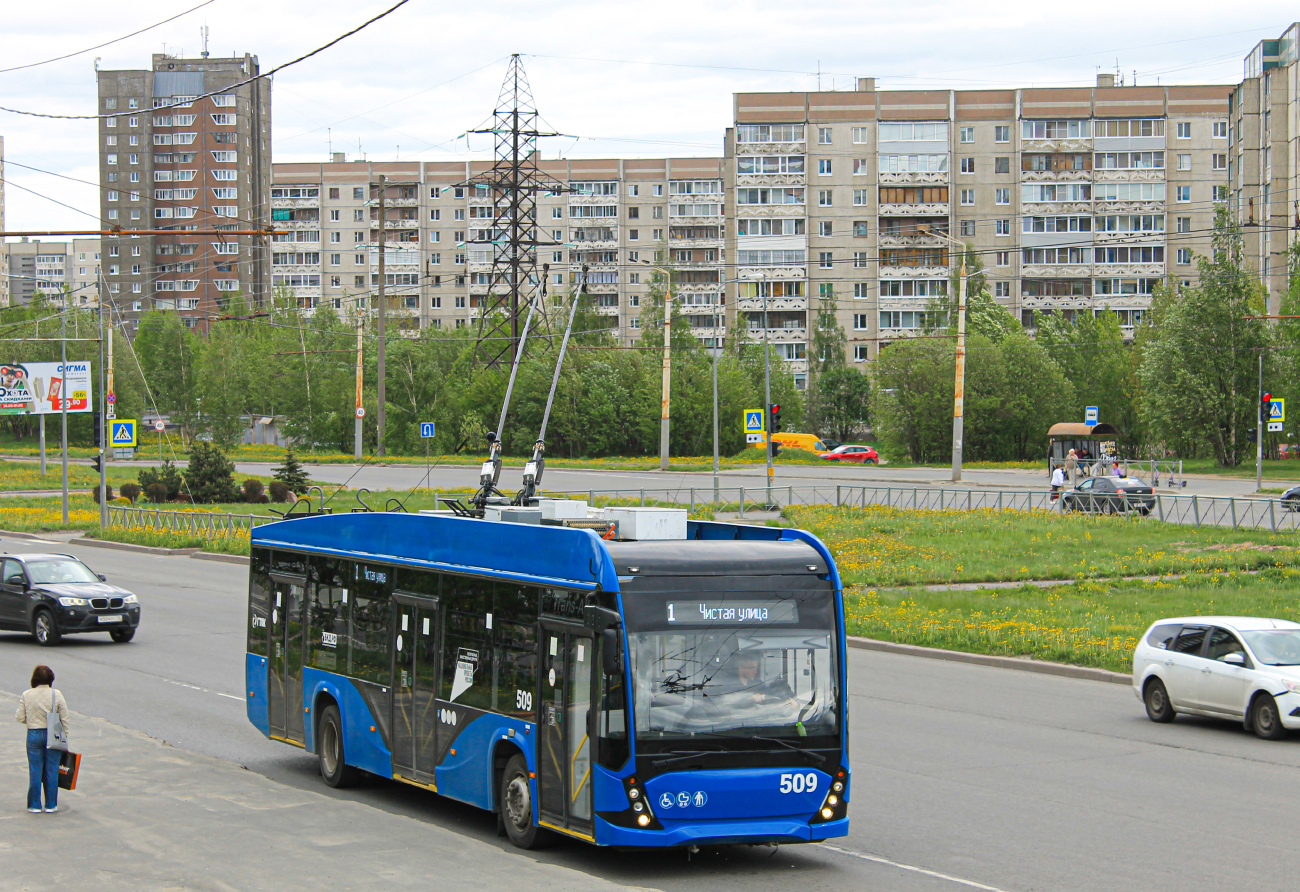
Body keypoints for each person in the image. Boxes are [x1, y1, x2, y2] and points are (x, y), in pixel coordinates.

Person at [16, 665, 68, 814]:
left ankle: (34, 805)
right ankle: (51, 805)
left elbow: (19, 717)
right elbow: (64, 716)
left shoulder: (26, 694)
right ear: (51, 679)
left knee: (35, 770)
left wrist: (32, 722)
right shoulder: (56, 694)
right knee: (52, 769)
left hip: (33, 734)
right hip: (53, 734)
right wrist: (65, 736)